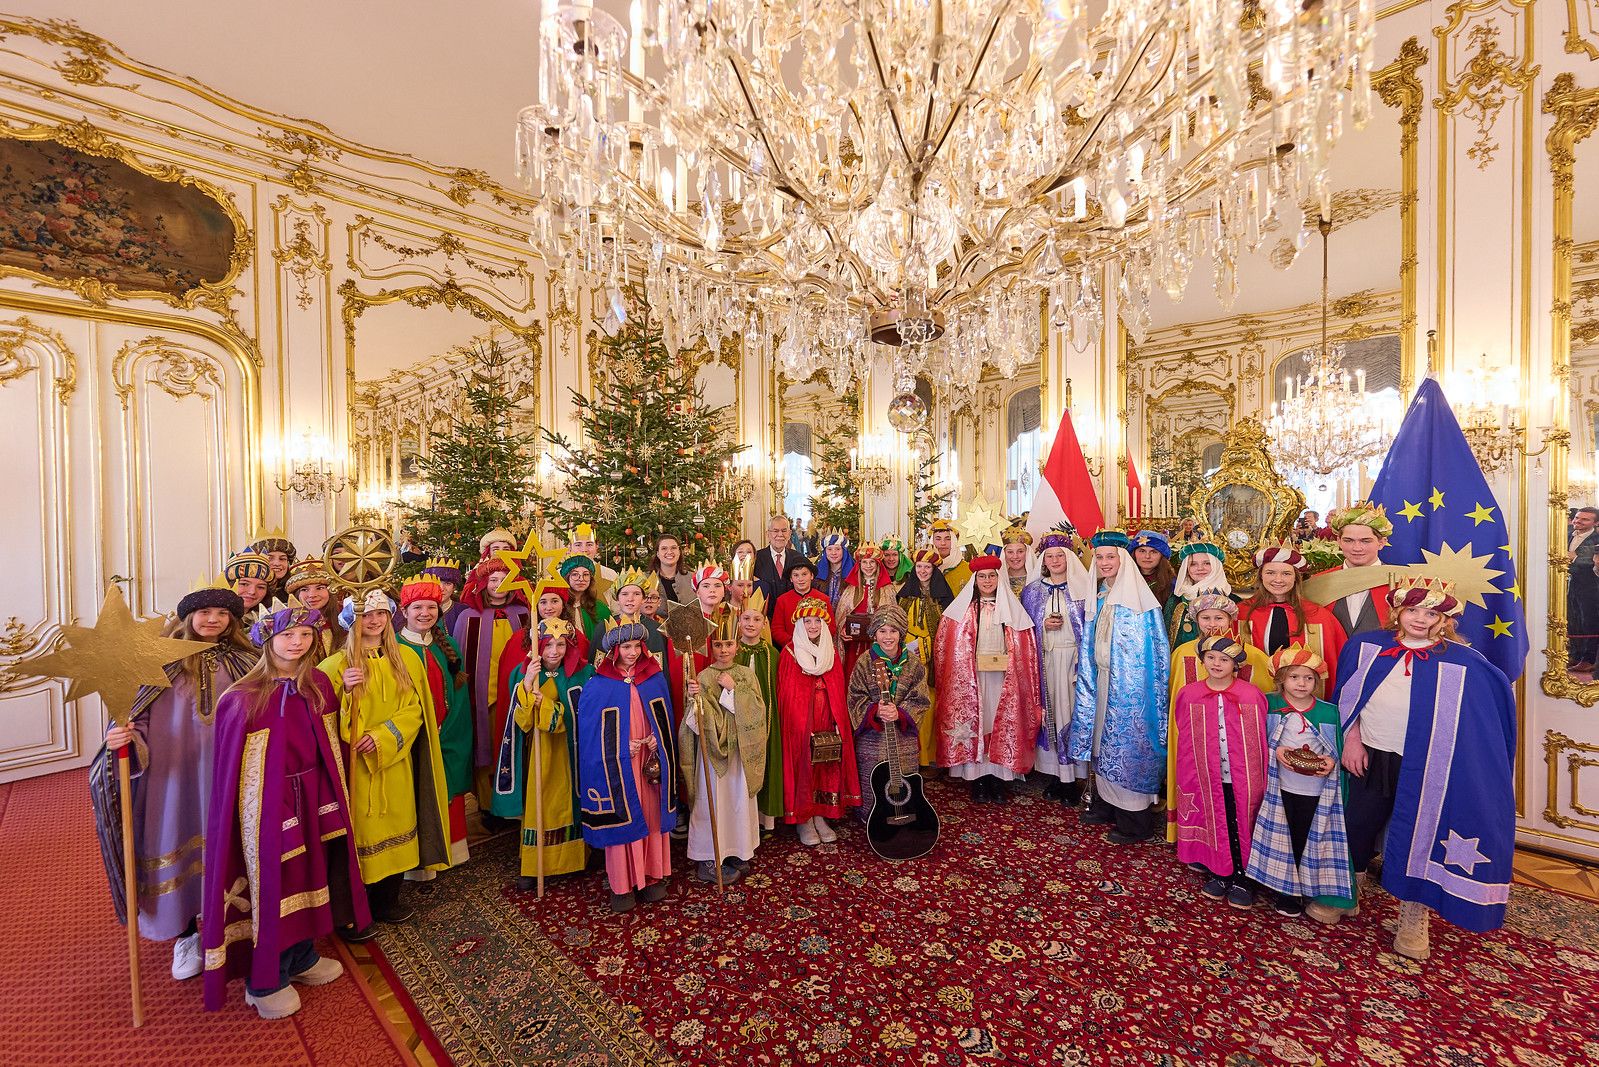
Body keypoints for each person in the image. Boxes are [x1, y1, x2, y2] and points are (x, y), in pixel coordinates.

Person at [1334, 576, 1516, 960]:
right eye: (1412, 610)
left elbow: (1484, 720)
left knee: (1420, 833)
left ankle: (1413, 913)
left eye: (1430, 612)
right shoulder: (1366, 647)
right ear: (1397, 611)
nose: (1419, 619)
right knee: (1359, 823)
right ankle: (1345, 890)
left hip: (1430, 764)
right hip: (1371, 754)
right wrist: (1351, 740)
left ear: (1445, 618)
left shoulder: (1464, 662)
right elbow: (1347, 699)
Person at [203, 601, 367, 1018]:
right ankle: (265, 979)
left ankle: (300, 957)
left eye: (306, 635)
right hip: (267, 810)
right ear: (267, 641)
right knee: (277, 886)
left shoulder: (317, 685)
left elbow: (331, 743)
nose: (297, 642)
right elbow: (234, 777)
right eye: (287, 636)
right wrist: (269, 811)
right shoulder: (242, 699)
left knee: (313, 877)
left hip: (314, 796)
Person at [91, 579, 257, 983]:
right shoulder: (159, 663)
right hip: (173, 781)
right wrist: (126, 740)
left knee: (230, 849)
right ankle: (184, 934)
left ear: (233, 620)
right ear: (188, 618)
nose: (213, 620)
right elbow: (137, 715)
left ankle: (230, 929)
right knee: (176, 844)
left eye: (222, 614)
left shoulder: (247, 660)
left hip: (227, 774)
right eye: (204, 613)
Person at [320, 591, 452, 938]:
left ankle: (387, 900)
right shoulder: (335, 666)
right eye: (365, 614)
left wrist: (382, 736)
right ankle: (355, 907)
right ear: (351, 621)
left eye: (380, 613)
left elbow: (415, 709)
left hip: (395, 761)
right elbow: (320, 719)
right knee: (361, 832)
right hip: (356, 770)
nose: (374, 621)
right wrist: (345, 692)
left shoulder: (406, 659)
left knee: (398, 823)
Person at [1071, 531, 1171, 844]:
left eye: (1110, 557)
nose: (1104, 563)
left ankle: (1133, 820)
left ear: (1123, 561)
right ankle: (1107, 805)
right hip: (1101, 682)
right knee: (1101, 741)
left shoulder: (1139, 602)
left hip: (1130, 691)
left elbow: (1153, 656)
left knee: (1126, 746)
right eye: (1099, 558)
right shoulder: (1100, 595)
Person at [575, 615, 680, 913]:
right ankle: (622, 884)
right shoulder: (599, 684)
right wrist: (621, 747)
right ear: (613, 650)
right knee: (625, 814)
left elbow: (664, 720)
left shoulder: (654, 677)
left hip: (649, 762)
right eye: (625, 647)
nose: (632, 653)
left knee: (650, 814)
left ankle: (652, 875)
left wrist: (655, 739)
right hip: (619, 766)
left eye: (636, 646)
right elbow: (591, 732)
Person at [1244, 646, 1355, 921]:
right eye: (1295, 677)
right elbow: (1253, 743)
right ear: (1282, 679)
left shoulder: (1329, 712)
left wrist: (1331, 762)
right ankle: (1286, 891)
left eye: (1308, 678)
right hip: (1280, 789)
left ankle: (1310, 886)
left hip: (1315, 791)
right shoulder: (1269, 706)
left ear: (1317, 682)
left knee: (1309, 838)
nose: (1301, 683)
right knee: (1284, 837)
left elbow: (1337, 748)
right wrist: (1276, 752)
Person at [1171, 635, 1270, 910]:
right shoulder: (1189, 694)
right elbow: (1184, 729)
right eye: (1211, 658)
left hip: (1241, 774)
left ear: (1235, 665)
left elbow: (1261, 736)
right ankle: (1219, 870)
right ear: (1202, 660)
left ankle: (1244, 876)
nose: (1216, 663)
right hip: (1206, 773)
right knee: (1213, 816)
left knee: (1241, 818)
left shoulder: (1251, 695)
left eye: (1224, 659)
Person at [935, 554, 1043, 804]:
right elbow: (948, 648)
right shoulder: (962, 612)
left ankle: (998, 778)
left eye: (991, 576)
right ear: (974, 580)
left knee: (999, 722)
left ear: (998, 578)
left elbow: (1025, 647)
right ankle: (978, 780)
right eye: (982, 577)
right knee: (978, 723)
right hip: (972, 678)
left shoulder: (1013, 611)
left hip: (1004, 679)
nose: (987, 581)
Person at [497, 618, 591, 889]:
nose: (554, 651)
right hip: (539, 755)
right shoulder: (523, 673)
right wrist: (527, 686)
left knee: (570, 806)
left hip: (569, 753)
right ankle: (535, 863)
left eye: (560, 644)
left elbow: (583, 717)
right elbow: (521, 722)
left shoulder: (581, 673)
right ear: (537, 647)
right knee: (541, 806)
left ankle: (572, 860)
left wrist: (548, 707)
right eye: (548, 645)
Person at [681, 606, 769, 884]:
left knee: (737, 803)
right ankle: (709, 858)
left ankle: (736, 851)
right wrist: (694, 698)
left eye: (729, 644)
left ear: (736, 644)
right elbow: (693, 723)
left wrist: (733, 688)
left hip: (741, 754)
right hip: (713, 756)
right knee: (714, 804)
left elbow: (757, 711)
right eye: (717, 644)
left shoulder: (745, 674)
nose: (723, 650)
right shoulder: (703, 676)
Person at [396, 575, 474, 867]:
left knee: (448, 789)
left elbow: (459, 696)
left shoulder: (448, 645)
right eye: (417, 607)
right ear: (404, 611)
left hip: (447, 733)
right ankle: (418, 862)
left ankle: (451, 852)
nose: (424, 613)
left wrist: (451, 730)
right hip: (413, 736)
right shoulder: (393, 647)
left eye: (431, 607)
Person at [450, 557, 531, 812]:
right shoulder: (468, 617)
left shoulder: (524, 613)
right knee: (485, 748)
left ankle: (517, 802)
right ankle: (487, 805)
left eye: (504, 579)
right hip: (482, 697)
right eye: (493, 580)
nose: (498, 585)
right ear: (483, 583)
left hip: (516, 695)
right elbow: (460, 660)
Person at [777, 596, 859, 845]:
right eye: (807, 621)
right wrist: (799, 723)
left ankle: (822, 813)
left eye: (817, 621)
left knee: (827, 763)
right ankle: (804, 817)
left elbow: (837, 687)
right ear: (800, 624)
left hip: (826, 718)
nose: (813, 626)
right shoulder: (790, 652)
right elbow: (787, 694)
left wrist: (836, 718)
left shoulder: (830, 652)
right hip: (801, 723)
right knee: (804, 764)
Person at [1019, 529, 1093, 804]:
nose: (1054, 560)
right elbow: (1023, 630)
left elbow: (1090, 627)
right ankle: (1055, 775)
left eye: (1059, 555)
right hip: (1045, 661)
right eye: (1049, 556)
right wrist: (1042, 625)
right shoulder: (1033, 591)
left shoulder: (1084, 589)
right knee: (1049, 713)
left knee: (1071, 713)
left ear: (1069, 558)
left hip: (1074, 662)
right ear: (1043, 561)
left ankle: (1075, 777)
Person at [846, 604, 930, 823]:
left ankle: (905, 813)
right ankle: (871, 816)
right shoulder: (865, 661)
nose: (888, 637)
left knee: (904, 779)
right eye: (882, 631)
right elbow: (855, 695)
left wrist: (900, 714)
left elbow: (921, 698)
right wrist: (875, 710)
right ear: (874, 633)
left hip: (902, 736)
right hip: (872, 735)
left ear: (901, 633)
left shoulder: (913, 662)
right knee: (873, 776)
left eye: (893, 631)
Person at [1237, 543, 1347, 697]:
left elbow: (1337, 663)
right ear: (1260, 576)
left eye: (1286, 574)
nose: (1278, 579)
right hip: (1255, 695)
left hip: (1304, 700)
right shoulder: (1242, 612)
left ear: (1296, 578)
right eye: (1270, 572)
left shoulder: (1319, 615)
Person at [898, 547, 953, 766]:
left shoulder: (943, 598)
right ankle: (908, 756)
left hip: (932, 662)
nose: (922, 571)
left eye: (927, 567)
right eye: (919, 566)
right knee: (907, 705)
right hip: (907, 661)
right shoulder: (904, 595)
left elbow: (949, 628)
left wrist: (929, 646)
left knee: (929, 708)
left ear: (934, 569)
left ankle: (928, 758)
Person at [735, 588, 784, 831]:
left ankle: (764, 819)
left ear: (765, 622)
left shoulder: (771, 653)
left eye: (757, 619)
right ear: (738, 620)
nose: (751, 624)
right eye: (746, 618)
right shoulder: (731, 652)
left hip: (766, 721)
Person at [1316, 502, 1397, 640]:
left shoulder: (1399, 582)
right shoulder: (1320, 582)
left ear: (1382, 542)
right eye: (1348, 540)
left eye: (1365, 541)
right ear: (1339, 541)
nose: (1357, 548)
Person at [835, 543, 891, 679]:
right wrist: (842, 629)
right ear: (859, 565)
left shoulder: (886, 588)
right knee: (854, 676)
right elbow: (841, 616)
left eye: (872, 562)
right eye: (864, 562)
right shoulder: (851, 589)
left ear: (878, 564)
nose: (868, 566)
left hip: (878, 645)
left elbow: (891, 617)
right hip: (854, 646)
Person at [1164, 540, 1231, 647]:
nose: (1200, 568)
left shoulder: (1232, 600)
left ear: (1216, 566)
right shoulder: (1176, 600)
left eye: (1207, 563)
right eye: (1193, 564)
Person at [285, 556, 342, 659]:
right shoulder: (286, 623)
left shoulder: (343, 617)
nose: (312, 595)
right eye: (304, 589)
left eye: (319, 588)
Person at [772, 556, 831, 648]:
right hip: (792, 647)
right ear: (791, 579)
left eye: (804, 574)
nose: (800, 579)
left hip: (819, 648)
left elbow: (831, 626)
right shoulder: (782, 600)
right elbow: (777, 629)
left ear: (811, 576)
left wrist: (816, 642)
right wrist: (794, 642)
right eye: (796, 575)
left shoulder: (823, 599)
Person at [559, 553, 612, 646]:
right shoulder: (559, 606)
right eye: (575, 574)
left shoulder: (600, 608)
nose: (581, 579)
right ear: (567, 578)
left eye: (586, 574)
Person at [753, 514, 799, 617]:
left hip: (793, 618)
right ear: (768, 534)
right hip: (763, 618)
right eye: (775, 531)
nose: (780, 535)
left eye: (784, 531)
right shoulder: (756, 559)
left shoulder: (798, 558)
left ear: (790, 533)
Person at [1570, 507, 1599, 670]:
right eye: (1577, 518)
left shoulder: (1597, 538)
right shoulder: (1566, 533)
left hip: (1592, 585)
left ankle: (1588, 660)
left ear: (1595, 523)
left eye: (1584, 519)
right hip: (1571, 583)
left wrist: (1575, 557)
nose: (1578, 521)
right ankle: (1576, 655)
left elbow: (1591, 562)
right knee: (1574, 619)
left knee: (1589, 621)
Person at [815, 533, 859, 616]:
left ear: (844, 551)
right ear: (825, 552)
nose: (833, 553)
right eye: (830, 549)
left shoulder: (854, 571)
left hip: (846, 618)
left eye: (837, 549)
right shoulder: (818, 571)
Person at [248, 531, 298, 603]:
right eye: (270, 558)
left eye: (282, 559)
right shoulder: (248, 592)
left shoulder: (296, 592)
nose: (277, 563)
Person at [225, 550, 272, 624]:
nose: (252, 591)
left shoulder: (267, 621)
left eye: (260, 587)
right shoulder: (215, 621)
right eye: (244, 584)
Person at [424, 558, 467, 636]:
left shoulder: (463, 611)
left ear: (454, 587)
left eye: (448, 583)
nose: (441, 588)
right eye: (437, 582)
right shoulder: (420, 612)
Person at [1131, 529, 1176, 604]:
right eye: (1142, 551)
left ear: (1162, 556)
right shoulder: (1123, 578)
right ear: (1134, 553)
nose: (1147, 556)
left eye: (1153, 552)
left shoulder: (1171, 584)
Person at [650, 533, 696, 606]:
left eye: (673, 548)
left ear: (679, 552)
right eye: (664, 548)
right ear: (658, 554)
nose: (669, 552)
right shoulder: (647, 579)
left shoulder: (693, 578)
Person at [928, 517, 971, 595]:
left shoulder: (968, 570)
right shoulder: (924, 569)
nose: (943, 543)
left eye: (948, 539)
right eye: (938, 539)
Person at [1000, 525, 1034, 596]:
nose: (1015, 556)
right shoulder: (997, 579)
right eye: (1010, 552)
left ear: (1027, 553)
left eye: (1020, 551)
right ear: (1004, 554)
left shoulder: (1037, 579)